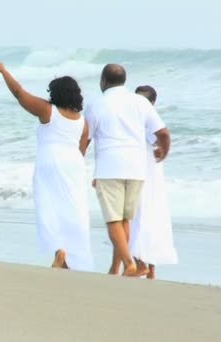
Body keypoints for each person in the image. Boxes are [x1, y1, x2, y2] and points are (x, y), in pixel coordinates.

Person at [0, 61, 93, 271]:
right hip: (74, 164)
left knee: (49, 207)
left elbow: (20, 93)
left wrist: (2, 70)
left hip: (50, 161)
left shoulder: (48, 111)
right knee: (73, 210)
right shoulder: (83, 121)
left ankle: (60, 253)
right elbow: (82, 149)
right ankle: (69, 259)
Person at [84, 64, 171, 277]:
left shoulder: (96, 103)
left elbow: (85, 139)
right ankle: (126, 266)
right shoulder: (140, 103)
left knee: (113, 220)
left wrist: (77, 162)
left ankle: (131, 264)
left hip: (109, 168)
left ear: (104, 81)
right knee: (124, 220)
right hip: (136, 169)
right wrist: (164, 152)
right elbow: (163, 133)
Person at [129, 85, 178, 279]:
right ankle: (146, 267)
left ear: (152, 103)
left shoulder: (148, 119)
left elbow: (162, 138)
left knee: (145, 214)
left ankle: (144, 265)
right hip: (143, 170)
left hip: (148, 173)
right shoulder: (141, 119)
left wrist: (163, 152)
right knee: (145, 214)